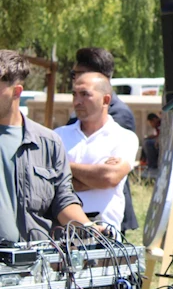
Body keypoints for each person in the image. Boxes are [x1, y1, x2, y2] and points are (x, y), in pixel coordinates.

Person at [0, 50, 100, 242]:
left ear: (16, 92)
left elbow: (63, 200)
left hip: (36, 256)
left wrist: (89, 228)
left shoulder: (48, 143)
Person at [66, 47, 139, 231]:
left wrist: (64, 166)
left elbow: (108, 177)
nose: (75, 79)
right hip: (69, 226)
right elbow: (53, 185)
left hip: (106, 224)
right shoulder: (67, 127)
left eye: (77, 74)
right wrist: (93, 174)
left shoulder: (120, 117)